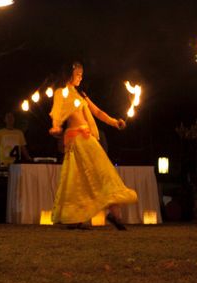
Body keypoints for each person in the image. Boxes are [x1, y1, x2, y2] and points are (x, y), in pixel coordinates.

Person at [49, 62, 137, 229]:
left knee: (104, 173)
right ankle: (77, 217)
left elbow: (96, 112)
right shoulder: (61, 93)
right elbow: (57, 110)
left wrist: (114, 122)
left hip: (87, 138)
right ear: (69, 75)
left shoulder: (81, 94)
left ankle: (114, 213)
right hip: (75, 140)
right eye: (77, 75)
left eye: (82, 75)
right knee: (79, 179)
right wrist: (55, 126)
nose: (81, 78)